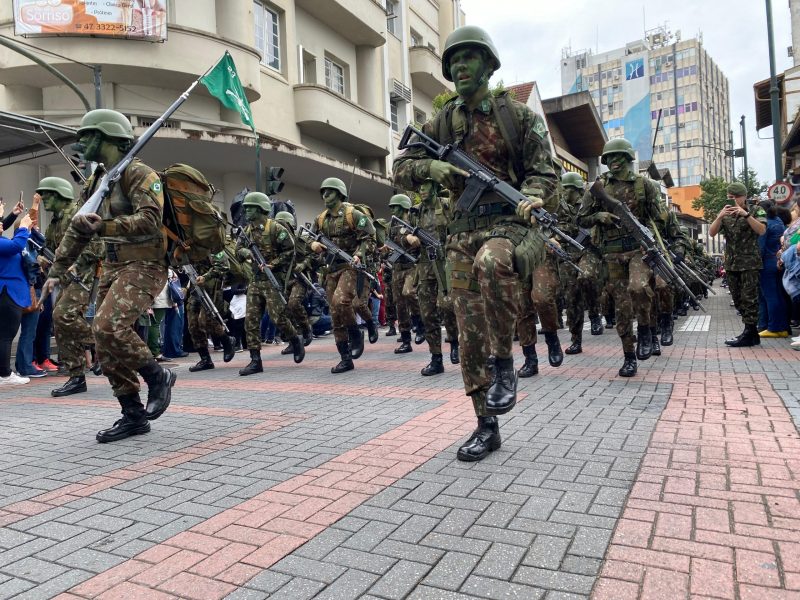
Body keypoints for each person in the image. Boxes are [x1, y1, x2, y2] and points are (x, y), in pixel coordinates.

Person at [394, 25, 556, 461]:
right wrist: (433, 171)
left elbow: (546, 171)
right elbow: (401, 167)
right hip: (459, 234)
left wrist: (534, 196)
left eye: (469, 57)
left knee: (492, 263)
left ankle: (505, 359)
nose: (460, 66)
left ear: (488, 63)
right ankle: (486, 425)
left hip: (509, 226)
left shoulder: (516, 116)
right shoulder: (443, 121)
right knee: (467, 334)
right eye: (454, 60)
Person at [43, 109, 176, 442]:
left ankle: (157, 376)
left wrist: (106, 225)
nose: (81, 142)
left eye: (88, 135)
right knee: (104, 340)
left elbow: (149, 220)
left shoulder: (139, 174)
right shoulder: (98, 181)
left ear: (108, 138)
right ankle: (132, 414)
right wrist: (57, 271)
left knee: (106, 326)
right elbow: (78, 229)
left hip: (145, 264)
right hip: (113, 266)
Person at [577, 138, 666, 377]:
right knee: (622, 309)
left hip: (639, 249)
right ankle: (629, 356)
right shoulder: (597, 187)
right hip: (612, 253)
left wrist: (653, 237)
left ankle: (646, 329)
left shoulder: (644, 185)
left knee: (638, 288)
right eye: (609, 158)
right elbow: (581, 219)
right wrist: (601, 216)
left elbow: (660, 218)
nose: (614, 161)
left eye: (619, 156)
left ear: (628, 158)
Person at [38, 177, 105, 396]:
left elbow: (97, 246)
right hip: (66, 282)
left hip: (83, 280)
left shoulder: (79, 214)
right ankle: (76, 376)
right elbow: (48, 248)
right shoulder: (55, 223)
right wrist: (42, 259)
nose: (44, 199)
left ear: (60, 195)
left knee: (62, 316)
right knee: (60, 325)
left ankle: (104, 346)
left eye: (47, 195)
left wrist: (74, 264)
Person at [310, 178, 376, 373]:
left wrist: (358, 253)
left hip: (350, 266)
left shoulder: (353, 215)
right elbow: (306, 237)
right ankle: (345, 358)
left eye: (329, 192)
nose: (325, 196)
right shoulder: (320, 219)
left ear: (340, 194)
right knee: (335, 315)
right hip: (330, 269)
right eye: (323, 192)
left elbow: (370, 238)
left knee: (341, 302)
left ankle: (356, 333)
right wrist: (312, 245)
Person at [236, 192, 304, 375]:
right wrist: (247, 253)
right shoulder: (247, 231)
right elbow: (238, 250)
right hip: (256, 281)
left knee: (278, 318)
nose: (247, 210)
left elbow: (291, 251)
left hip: (272, 281)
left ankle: (295, 340)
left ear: (261, 209)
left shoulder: (276, 229)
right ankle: (255, 360)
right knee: (250, 320)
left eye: (250, 207)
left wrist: (273, 264)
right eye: (246, 207)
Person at [408, 179, 459, 373]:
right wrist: (409, 237)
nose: (422, 188)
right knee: (427, 313)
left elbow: (459, 228)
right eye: (419, 185)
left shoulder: (447, 205)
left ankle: (454, 342)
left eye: (426, 184)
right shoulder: (415, 211)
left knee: (447, 305)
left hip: (446, 262)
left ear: (435, 187)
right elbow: (405, 231)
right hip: (425, 265)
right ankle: (436, 357)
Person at [709, 182, 767, 347]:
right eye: (729, 197)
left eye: (734, 197)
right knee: (737, 298)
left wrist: (746, 215)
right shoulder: (725, 213)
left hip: (749, 262)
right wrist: (719, 216)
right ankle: (752, 333)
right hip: (732, 263)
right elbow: (712, 233)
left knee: (750, 298)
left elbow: (762, 230)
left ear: (744, 197)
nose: (731, 200)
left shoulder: (756, 210)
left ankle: (749, 332)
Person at [384, 194, 421, 355]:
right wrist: (385, 250)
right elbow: (385, 244)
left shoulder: (414, 222)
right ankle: (406, 340)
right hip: (397, 267)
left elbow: (422, 242)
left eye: (396, 207)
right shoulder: (390, 226)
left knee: (410, 292)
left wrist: (414, 240)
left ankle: (420, 326)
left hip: (412, 265)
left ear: (404, 207)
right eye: (392, 207)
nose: (393, 210)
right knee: (399, 304)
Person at [1, 212, 34, 385]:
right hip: (7, 293)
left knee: (4, 335)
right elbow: (16, 245)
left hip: (8, 293)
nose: (1, 225)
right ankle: (4, 375)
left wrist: (14, 215)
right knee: (6, 335)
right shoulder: (3, 244)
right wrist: (22, 227)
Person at [757, 200, 789, 337]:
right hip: (779, 261)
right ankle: (783, 326)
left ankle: (774, 328)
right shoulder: (778, 221)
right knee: (779, 295)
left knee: (769, 296)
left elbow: (761, 248)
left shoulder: (765, 224)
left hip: (767, 262)